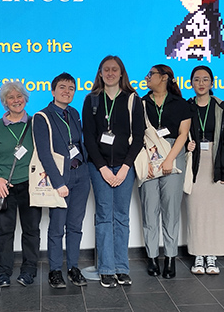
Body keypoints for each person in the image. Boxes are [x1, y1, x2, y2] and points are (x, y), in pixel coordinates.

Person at [82, 55, 145, 288]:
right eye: (106, 70)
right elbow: (87, 137)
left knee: (122, 217)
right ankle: (106, 268)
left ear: (121, 73)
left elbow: (138, 137)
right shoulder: (91, 100)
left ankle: (121, 267)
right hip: (99, 168)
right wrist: (102, 168)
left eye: (114, 69)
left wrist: (126, 166)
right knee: (103, 216)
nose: (110, 73)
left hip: (125, 167)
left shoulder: (132, 100)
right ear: (100, 73)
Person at [33, 73, 91, 289]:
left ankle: (73, 267)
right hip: (60, 178)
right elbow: (44, 153)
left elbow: (79, 143)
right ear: (53, 90)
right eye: (62, 87)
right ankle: (55, 270)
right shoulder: (42, 117)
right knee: (57, 227)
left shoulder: (74, 113)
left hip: (81, 176)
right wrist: (58, 183)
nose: (67, 91)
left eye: (71, 88)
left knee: (75, 226)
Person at [0, 81, 41, 288]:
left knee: (31, 231)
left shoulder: (36, 123)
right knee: (4, 232)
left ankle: (29, 271)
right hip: (3, 187)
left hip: (30, 185)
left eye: (19, 96)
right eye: (11, 97)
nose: (16, 100)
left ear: (26, 99)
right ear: (4, 102)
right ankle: (3, 272)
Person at [139, 64, 191, 279]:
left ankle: (170, 258)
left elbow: (183, 134)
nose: (147, 77)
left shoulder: (181, 104)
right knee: (149, 209)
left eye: (151, 74)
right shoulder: (141, 103)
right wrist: (147, 163)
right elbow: (136, 135)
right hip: (148, 157)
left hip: (174, 156)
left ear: (164, 78)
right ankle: (152, 257)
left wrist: (169, 160)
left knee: (171, 210)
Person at [185, 65, 224, 275]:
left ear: (212, 83)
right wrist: (187, 144)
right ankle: (198, 254)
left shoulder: (222, 107)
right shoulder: (186, 107)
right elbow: (180, 133)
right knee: (195, 211)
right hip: (194, 162)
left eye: (205, 79)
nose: (201, 83)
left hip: (217, 161)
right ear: (191, 82)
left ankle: (212, 255)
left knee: (214, 212)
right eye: (196, 79)